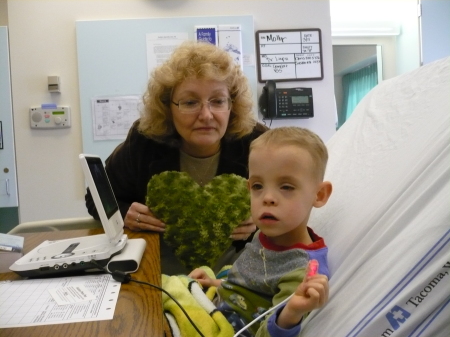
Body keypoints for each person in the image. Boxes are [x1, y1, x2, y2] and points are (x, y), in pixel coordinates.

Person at [85, 41, 268, 274]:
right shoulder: (145, 141)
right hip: (157, 273)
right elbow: (96, 198)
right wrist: (123, 214)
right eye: (190, 102)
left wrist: (262, 219)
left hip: (238, 275)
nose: (206, 115)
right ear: (167, 107)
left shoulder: (257, 142)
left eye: (218, 101)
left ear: (232, 105)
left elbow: (290, 199)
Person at [189, 126, 332, 337]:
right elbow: (250, 289)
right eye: (258, 186)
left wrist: (292, 311)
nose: (267, 198)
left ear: (319, 195)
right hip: (215, 303)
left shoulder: (302, 271)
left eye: (286, 187)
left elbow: (266, 331)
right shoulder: (264, 234)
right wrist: (215, 283)